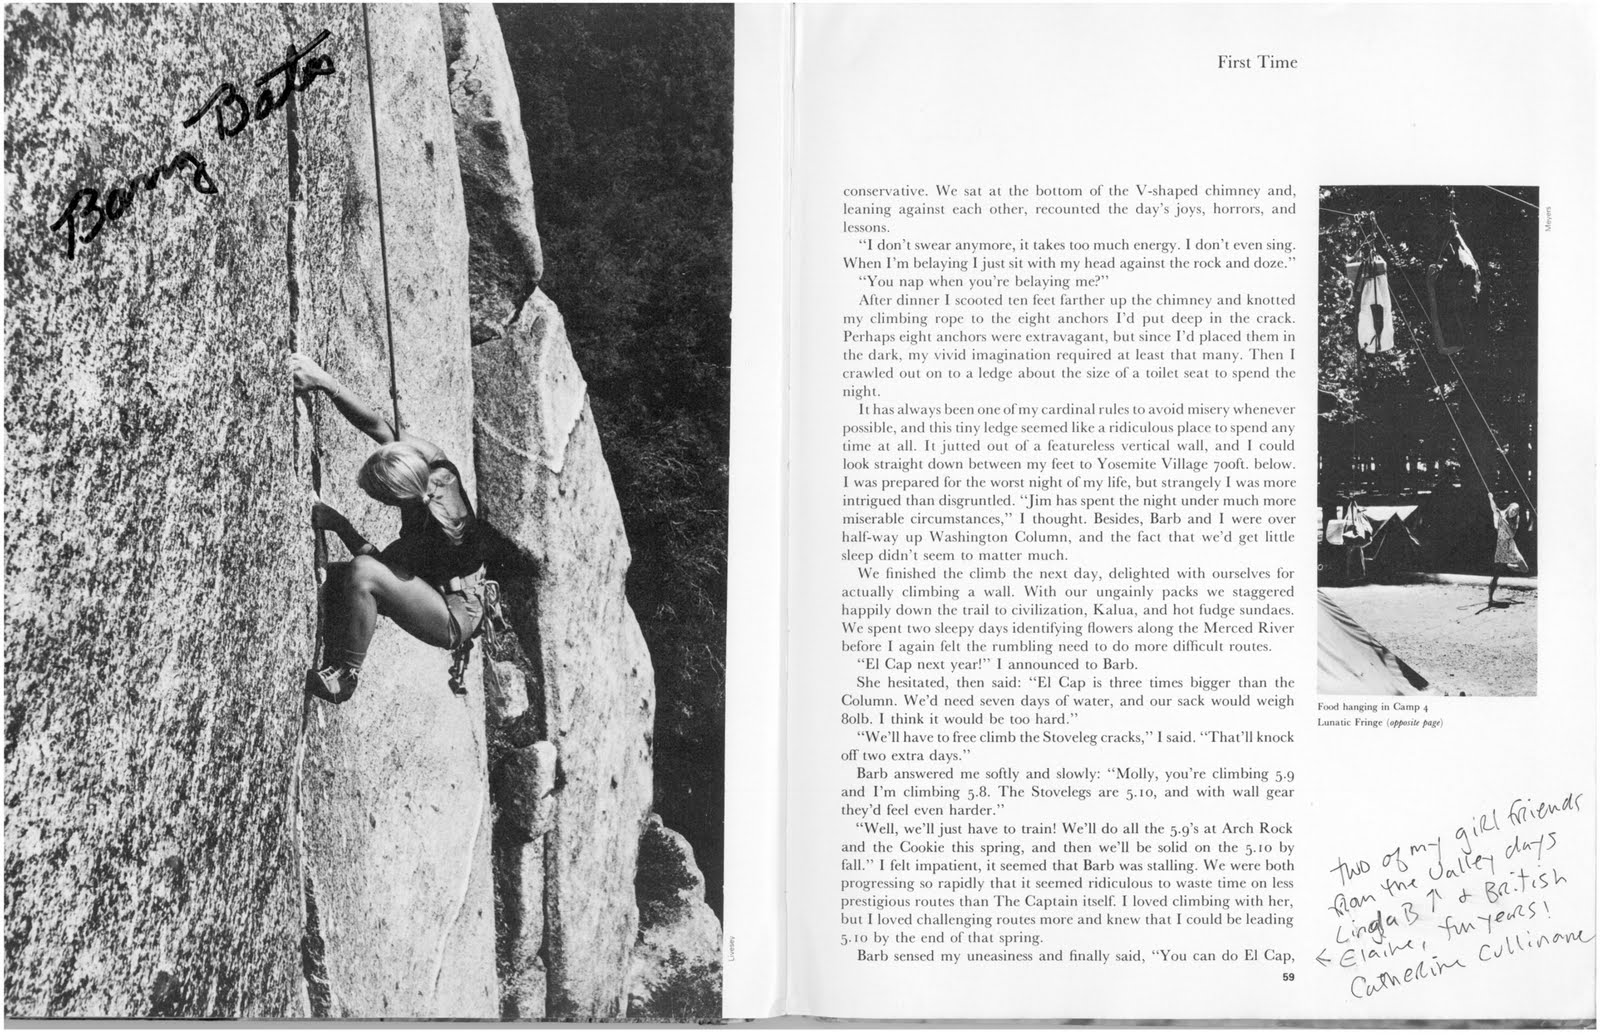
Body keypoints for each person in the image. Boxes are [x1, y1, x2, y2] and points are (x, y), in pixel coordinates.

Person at [290, 352, 486, 701]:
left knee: (361, 575)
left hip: (456, 615)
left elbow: (377, 567)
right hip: (453, 587)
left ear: (396, 500)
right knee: (337, 581)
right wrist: (323, 382)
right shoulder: (433, 464)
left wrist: (340, 525)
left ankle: (346, 678)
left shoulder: (432, 538)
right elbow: (379, 427)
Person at [1486, 492, 1530, 606]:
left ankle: (1510, 566)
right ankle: (1490, 599)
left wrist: (1505, 523)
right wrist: (1490, 498)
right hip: (1501, 546)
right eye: (1512, 509)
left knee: (1525, 569)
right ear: (1509, 508)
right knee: (1496, 575)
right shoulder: (1501, 514)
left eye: (1516, 511)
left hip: (1510, 544)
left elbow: (1511, 533)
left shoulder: (1516, 520)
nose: (1513, 512)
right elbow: (1493, 508)